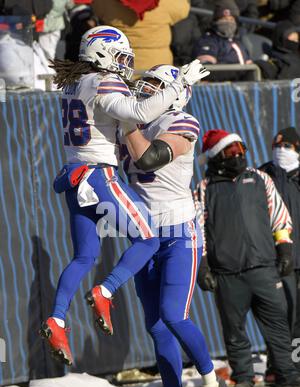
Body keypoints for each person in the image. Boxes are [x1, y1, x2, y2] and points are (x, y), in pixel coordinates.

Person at [39, 25, 207, 366]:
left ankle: (56, 319)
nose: (125, 64)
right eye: (119, 55)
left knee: (84, 257)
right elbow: (141, 113)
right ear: (101, 51)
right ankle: (105, 291)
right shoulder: (103, 81)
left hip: (73, 176)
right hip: (100, 175)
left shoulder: (73, 83)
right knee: (147, 240)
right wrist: (178, 84)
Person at [93, 64, 227, 387]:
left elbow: (149, 159)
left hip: (180, 231)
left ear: (174, 94)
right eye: (144, 85)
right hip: (144, 233)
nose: (143, 91)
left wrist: (126, 123)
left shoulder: (185, 122)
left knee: (173, 314)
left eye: (153, 86)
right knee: (156, 326)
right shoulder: (131, 122)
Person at [195, 129, 300, 387]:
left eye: (241, 149)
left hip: (264, 268)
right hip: (227, 274)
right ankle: (243, 378)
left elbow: (279, 217)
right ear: (217, 156)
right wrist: (203, 266)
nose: (239, 155)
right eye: (231, 151)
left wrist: (284, 249)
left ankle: (286, 374)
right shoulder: (205, 188)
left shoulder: (260, 178)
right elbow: (197, 230)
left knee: (278, 324)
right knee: (234, 330)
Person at [259, 127, 300, 376]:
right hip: (276, 257)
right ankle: (282, 366)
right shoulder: (264, 174)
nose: (280, 151)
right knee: (279, 316)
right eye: (277, 146)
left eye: (287, 147)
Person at [92, 0, 190, 70]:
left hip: (120, 61)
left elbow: (97, 8)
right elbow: (183, 10)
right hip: (157, 64)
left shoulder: (106, 3)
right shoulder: (168, 3)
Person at [193, 0, 252, 81]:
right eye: (224, 19)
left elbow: (250, 66)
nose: (228, 23)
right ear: (216, 20)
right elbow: (206, 70)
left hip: (243, 89)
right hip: (221, 89)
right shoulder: (209, 40)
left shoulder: (238, 43)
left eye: (231, 19)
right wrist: (238, 72)